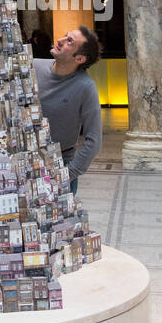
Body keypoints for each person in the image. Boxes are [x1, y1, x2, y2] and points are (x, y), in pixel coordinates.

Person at [34, 26, 102, 196]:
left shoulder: (86, 87)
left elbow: (94, 140)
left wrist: (67, 174)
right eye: (65, 36)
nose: (60, 40)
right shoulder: (34, 66)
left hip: (59, 161)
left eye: (69, 41)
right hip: (25, 159)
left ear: (79, 58)